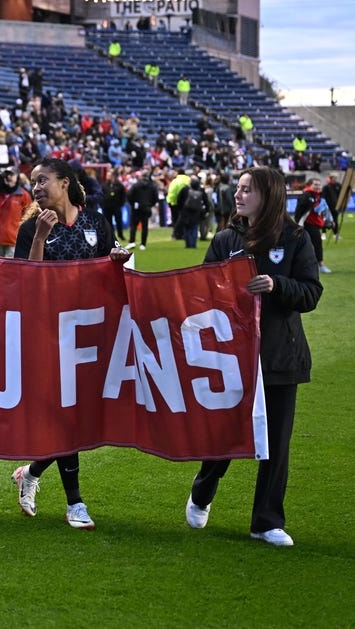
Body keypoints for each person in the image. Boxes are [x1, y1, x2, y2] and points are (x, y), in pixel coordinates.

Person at [185, 167, 322, 547]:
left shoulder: (296, 238)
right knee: (227, 433)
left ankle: (266, 521)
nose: (239, 195)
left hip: (281, 357)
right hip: (232, 357)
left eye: (248, 189)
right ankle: (203, 489)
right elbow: (201, 290)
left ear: (270, 195)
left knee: (275, 443)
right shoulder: (227, 238)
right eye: (239, 188)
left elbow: (311, 293)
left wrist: (278, 286)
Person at [10, 157, 132, 530]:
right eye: (33, 182)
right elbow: (25, 281)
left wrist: (117, 261)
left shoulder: (96, 222)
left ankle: (30, 472)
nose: (36, 187)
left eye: (43, 179)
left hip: (90, 332)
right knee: (67, 414)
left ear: (65, 183)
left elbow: (113, 274)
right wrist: (42, 239)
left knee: (78, 416)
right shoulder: (31, 227)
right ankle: (75, 503)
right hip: (48, 331)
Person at [0, 168, 31, 258]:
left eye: (12, 175)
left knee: (10, 269)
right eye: (7, 175)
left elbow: (29, 217)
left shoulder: (23, 195)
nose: (9, 177)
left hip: (13, 240)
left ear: (17, 177)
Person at [293, 178, 332, 274]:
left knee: (311, 245)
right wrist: (299, 223)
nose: (318, 186)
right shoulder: (306, 195)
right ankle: (320, 265)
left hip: (314, 224)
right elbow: (299, 211)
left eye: (319, 184)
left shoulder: (316, 195)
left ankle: (311, 265)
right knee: (316, 244)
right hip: (307, 224)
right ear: (310, 185)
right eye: (315, 184)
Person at [126, 172, 158, 250]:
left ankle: (132, 242)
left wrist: (133, 204)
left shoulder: (135, 185)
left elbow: (129, 195)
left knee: (133, 226)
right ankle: (143, 244)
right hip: (146, 208)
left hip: (136, 208)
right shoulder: (152, 186)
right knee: (145, 226)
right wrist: (150, 205)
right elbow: (155, 198)